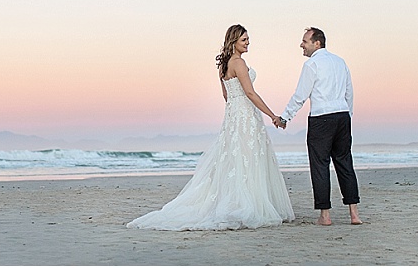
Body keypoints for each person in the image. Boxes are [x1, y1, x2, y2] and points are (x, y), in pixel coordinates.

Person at [126, 24, 294, 230]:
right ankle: (248, 206)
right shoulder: (239, 63)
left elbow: (226, 96)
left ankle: (241, 201)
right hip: (245, 116)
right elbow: (250, 93)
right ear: (234, 41)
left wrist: (235, 110)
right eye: (244, 39)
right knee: (248, 159)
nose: (248, 42)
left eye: (248, 39)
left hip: (233, 116)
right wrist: (272, 116)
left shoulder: (223, 65)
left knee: (236, 160)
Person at [274, 27, 362, 226]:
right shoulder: (340, 62)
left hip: (321, 118)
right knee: (345, 163)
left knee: (320, 166)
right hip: (341, 116)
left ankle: (325, 216)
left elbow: (300, 95)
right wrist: (347, 115)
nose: (301, 45)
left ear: (317, 43)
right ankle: (354, 214)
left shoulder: (312, 64)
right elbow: (349, 92)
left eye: (304, 41)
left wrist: (285, 118)